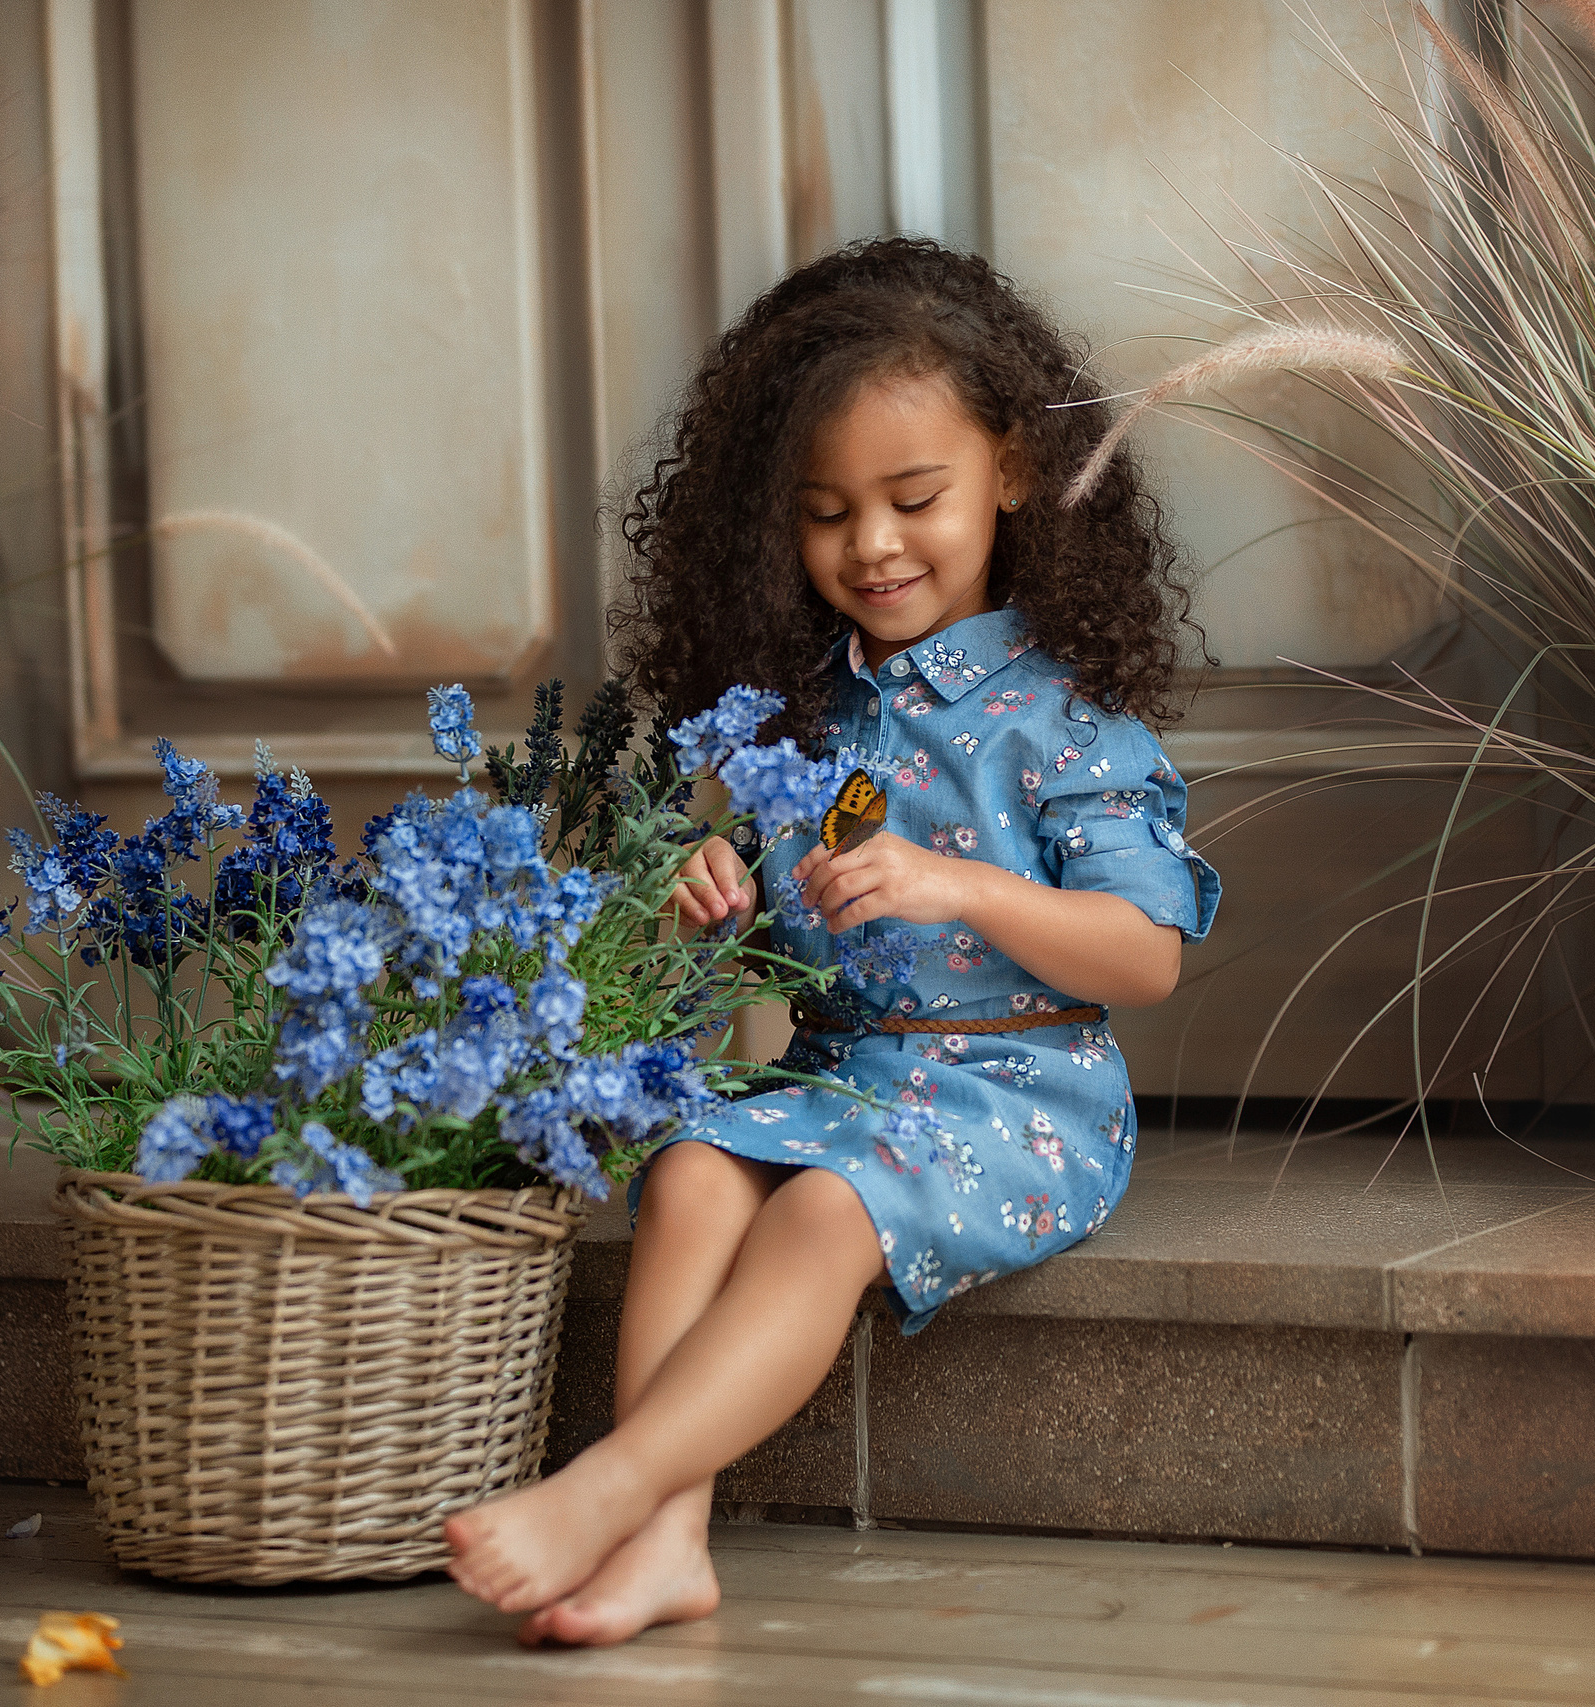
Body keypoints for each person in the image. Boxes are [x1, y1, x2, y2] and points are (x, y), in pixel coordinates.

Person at [443, 237, 1220, 1646]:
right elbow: (757, 960)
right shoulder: (800, 716)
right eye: (823, 512)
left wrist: (965, 888)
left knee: (816, 1210)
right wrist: (706, 891)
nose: (871, 544)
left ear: (1013, 473)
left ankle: (604, 1492)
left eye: (913, 498)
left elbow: (1144, 956)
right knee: (688, 1168)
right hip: (844, 1079)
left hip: (1018, 1095)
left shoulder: (1067, 717)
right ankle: (670, 1544)